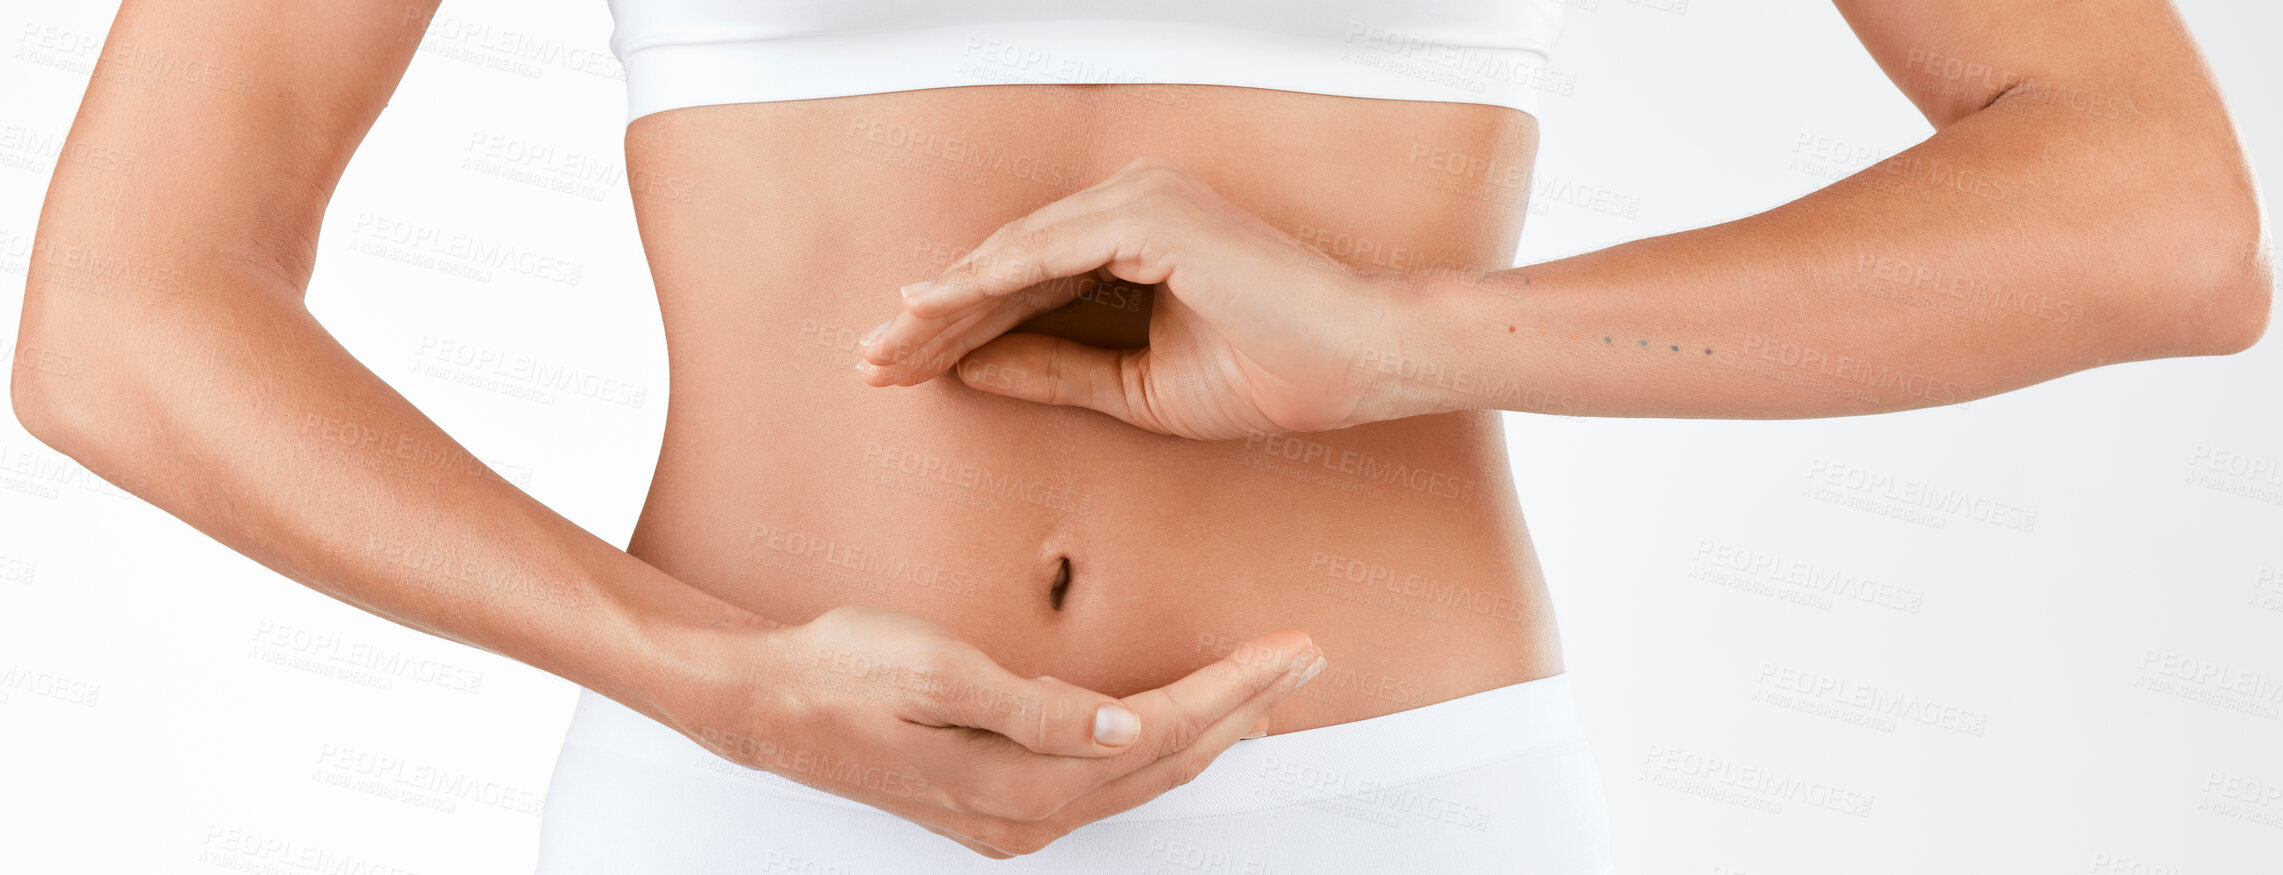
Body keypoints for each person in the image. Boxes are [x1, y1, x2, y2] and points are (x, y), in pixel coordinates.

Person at [9, 0, 2265, 872]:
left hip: (1396, 809)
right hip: (747, 803)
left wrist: (1398, 332)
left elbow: (2151, 209)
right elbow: (123, 306)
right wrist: (695, 674)